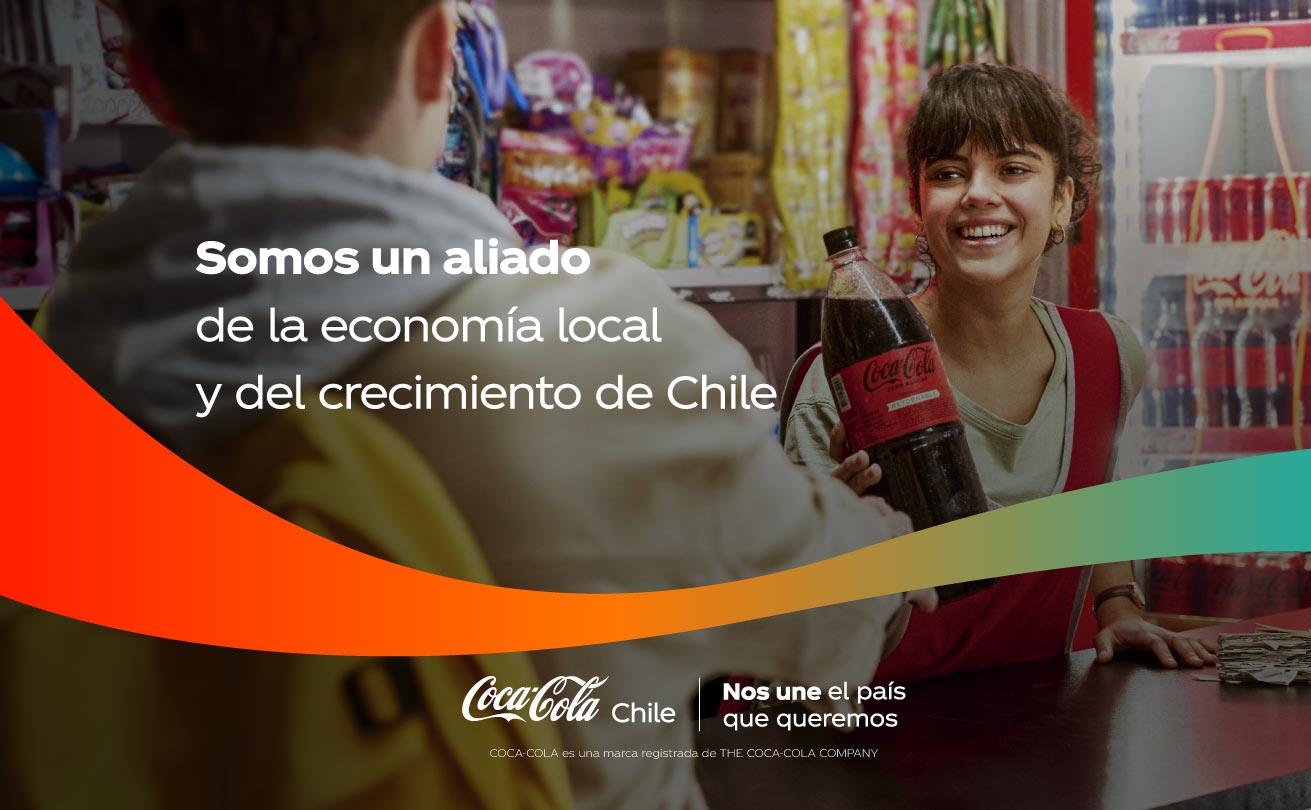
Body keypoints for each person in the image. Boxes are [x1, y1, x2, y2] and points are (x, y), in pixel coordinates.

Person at [37, 2, 929, 808]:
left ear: (147, 78)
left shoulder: (52, 395)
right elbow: (835, 619)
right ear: (436, 57)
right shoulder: (601, 338)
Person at [786, 63, 1219, 683]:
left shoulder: (1107, 353)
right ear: (919, 203)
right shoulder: (846, 378)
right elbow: (791, 641)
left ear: (1063, 199)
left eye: (1013, 169)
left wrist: (1117, 602)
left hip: (1046, 745)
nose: (977, 194)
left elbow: (1094, 492)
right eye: (948, 174)